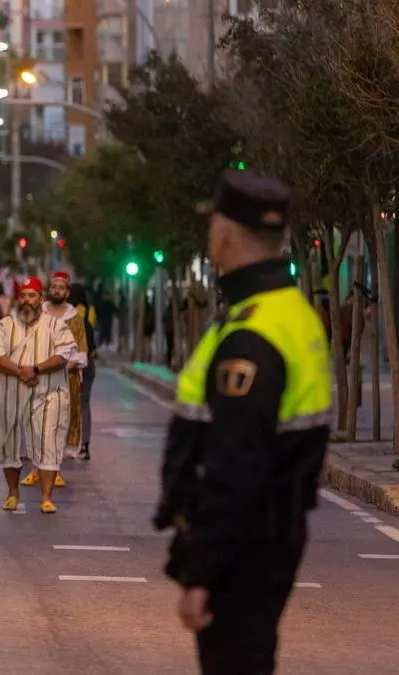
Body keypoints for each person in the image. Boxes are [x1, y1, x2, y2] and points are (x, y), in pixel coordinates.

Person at [155, 170, 331, 674]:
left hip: (244, 552)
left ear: (227, 235)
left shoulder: (252, 336)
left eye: (213, 223)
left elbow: (235, 469)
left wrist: (201, 573)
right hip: (272, 535)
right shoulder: (287, 313)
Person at [0, 276, 77, 514]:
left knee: (48, 442)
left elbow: (64, 354)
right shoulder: (5, 324)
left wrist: (36, 369)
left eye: (32, 295)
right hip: (10, 392)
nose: (27, 300)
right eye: (23, 295)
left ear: (40, 298)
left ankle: (46, 497)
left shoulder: (56, 325)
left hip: (48, 394)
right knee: (9, 445)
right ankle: (12, 493)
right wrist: (20, 372)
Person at [23, 271, 88, 487]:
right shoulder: (37, 315)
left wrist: (64, 364)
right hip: (37, 378)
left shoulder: (75, 319)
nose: (56, 291)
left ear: (67, 292)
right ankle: (35, 469)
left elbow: (81, 352)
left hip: (66, 380)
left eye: (61, 288)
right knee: (36, 424)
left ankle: (55, 470)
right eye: (53, 287)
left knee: (58, 426)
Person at [70, 281, 98, 460]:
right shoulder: (90, 310)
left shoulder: (69, 312)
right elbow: (92, 330)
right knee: (85, 404)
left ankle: (69, 443)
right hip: (89, 360)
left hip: (72, 362)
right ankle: (85, 446)